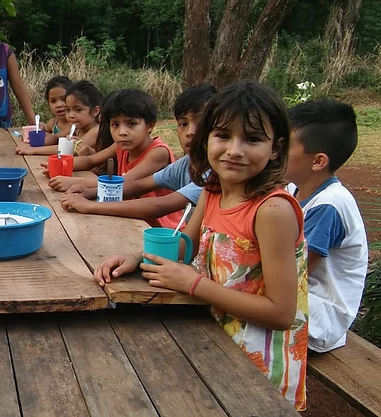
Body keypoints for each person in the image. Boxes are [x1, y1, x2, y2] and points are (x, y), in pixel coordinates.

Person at [94, 82, 308, 410]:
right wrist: (138, 258)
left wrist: (193, 283)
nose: (234, 150)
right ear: (207, 139)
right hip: (210, 337)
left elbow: (281, 312)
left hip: (255, 362)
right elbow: (186, 248)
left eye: (252, 139)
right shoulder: (213, 190)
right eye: (223, 135)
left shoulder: (272, 210)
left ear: (276, 148)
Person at [61, 84, 217, 224]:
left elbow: (159, 205)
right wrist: (91, 192)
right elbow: (139, 185)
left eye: (201, 123)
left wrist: (91, 205)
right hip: (148, 227)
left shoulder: (215, 176)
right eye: (183, 124)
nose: (190, 132)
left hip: (166, 233)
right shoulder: (186, 163)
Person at [285, 99, 368, 353]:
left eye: (284, 146)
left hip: (321, 317)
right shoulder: (293, 189)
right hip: (299, 301)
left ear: (318, 161)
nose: (273, 152)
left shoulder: (329, 205)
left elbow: (294, 274)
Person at [45, 89, 180, 227]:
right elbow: (90, 160)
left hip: (159, 227)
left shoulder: (158, 152)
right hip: (127, 216)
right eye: (115, 124)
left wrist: (74, 181)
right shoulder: (120, 146)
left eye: (132, 124)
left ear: (150, 126)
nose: (122, 132)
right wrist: (60, 165)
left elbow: (124, 183)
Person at [16, 80, 101, 156]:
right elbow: (56, 138)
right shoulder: (77, 128)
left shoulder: (96, 130)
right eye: (68, 110)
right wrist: (33, 142)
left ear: (95, 111)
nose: (71, 115)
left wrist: (33, 150)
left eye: (78, 110)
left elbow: (68, 149)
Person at [42, 75, 73, 144]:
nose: (58, 105)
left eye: (63, 99)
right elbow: (43, 128)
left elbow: (55, 138)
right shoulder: (52, 124)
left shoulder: (76, 124)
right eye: (53, 101)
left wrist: (51, 137)